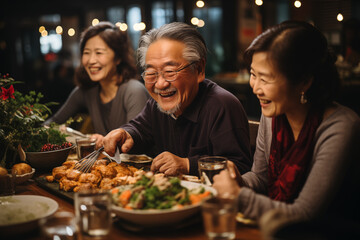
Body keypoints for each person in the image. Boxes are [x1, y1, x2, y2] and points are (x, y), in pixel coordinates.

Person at [212, 20, 360, 227]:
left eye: (265, 79)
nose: (255, 87)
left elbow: (305, 212)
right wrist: (239, 181)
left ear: (304, 82)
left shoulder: (340, 126)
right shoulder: (272, 114)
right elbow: (261, 178)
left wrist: (237, 195)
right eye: (253, 75)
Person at [103, 22, 252, 176]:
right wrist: (126, 134)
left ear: (199, 69)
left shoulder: (223, 105)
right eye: (151, 73)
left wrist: (187, 164)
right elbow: (140, 129)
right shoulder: (157, 103)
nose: (160, 84)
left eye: (170, 71)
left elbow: (240, 167)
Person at [45, 22, 149, 145]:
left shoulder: (134, 90)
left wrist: (106, 142)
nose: (91, 60)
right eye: (86, 52)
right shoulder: (85, 91)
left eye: (99, 53)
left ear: (118, 58)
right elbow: (51, 124)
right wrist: (62, 133)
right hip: (104, 163)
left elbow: (137, 140)